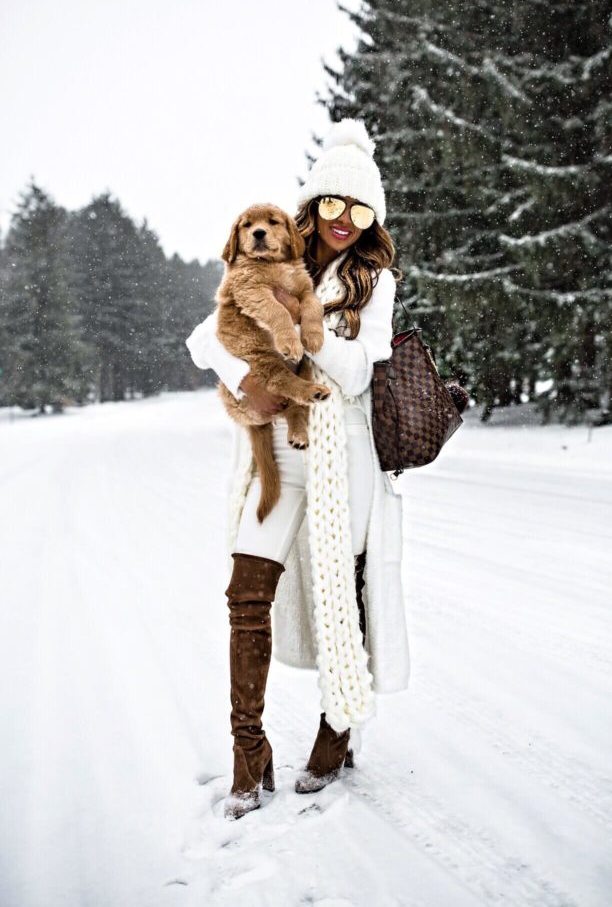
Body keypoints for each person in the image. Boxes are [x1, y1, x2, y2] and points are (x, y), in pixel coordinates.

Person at [186, 118, 410, 820]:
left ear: (372, 218)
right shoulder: (272, 254)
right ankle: (247, 753)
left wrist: (305, 338)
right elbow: (204, 337)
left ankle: (336, 728)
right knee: (245, 592)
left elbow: (357, 368)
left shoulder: (375, 282)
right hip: (277, 456)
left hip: (345, 465)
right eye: (334, 206)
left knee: (341, 602)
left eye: (361, 210)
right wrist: (248, 371)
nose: (345, 222)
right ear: (313, 205)